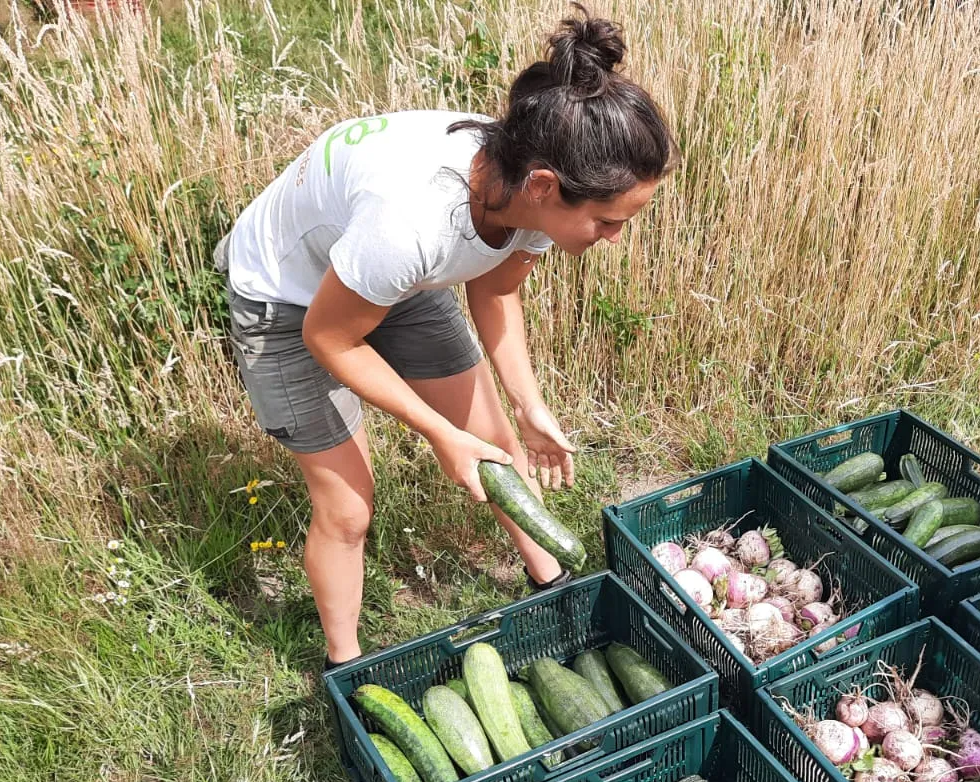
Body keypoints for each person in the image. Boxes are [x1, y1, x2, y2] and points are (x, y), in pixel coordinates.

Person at [214, 8, 674, 669]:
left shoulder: (535, 181)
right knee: (348, 509)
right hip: (289, 302)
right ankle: (346, 669)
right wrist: (439, 432)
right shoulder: (412, 221)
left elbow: (496, 290)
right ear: (545, 188)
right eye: (607, 222)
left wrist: (528, 405)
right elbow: (332, 339)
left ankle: (554, 587)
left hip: (389, 279)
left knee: (500, 448)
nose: (614, 238)